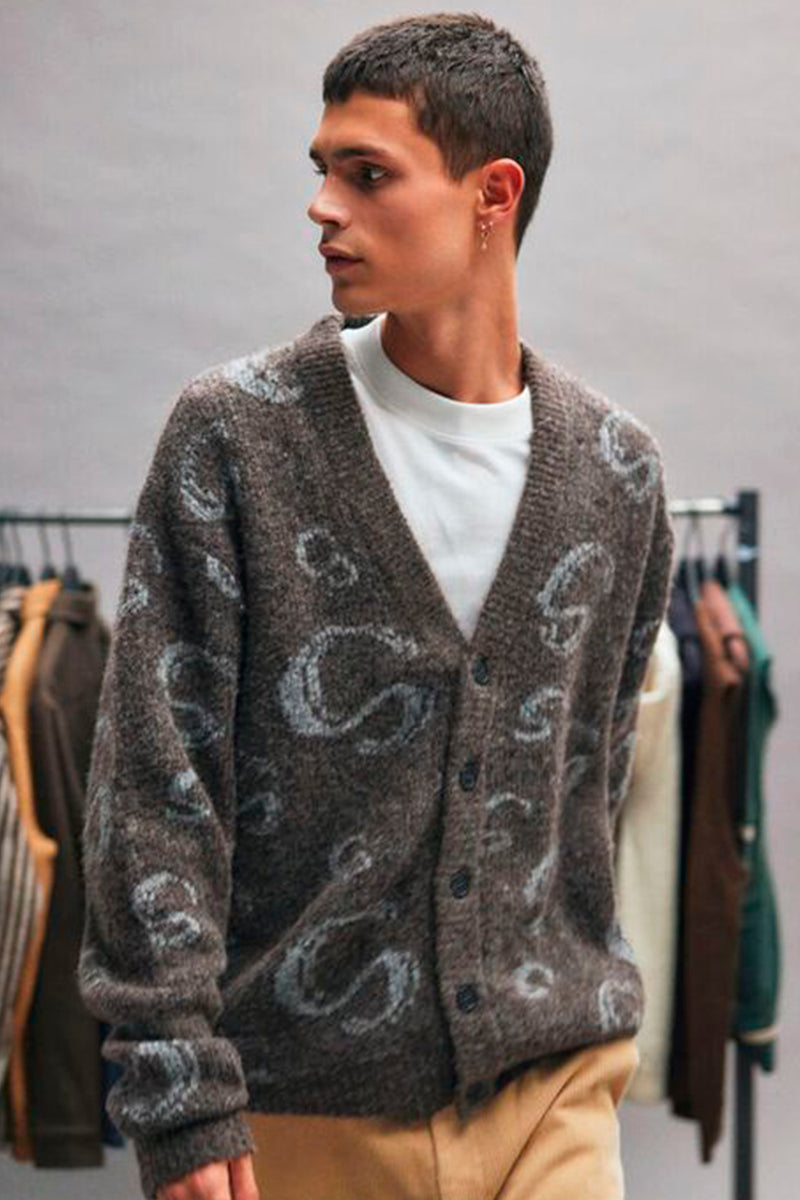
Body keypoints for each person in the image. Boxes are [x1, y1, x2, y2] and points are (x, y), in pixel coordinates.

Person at [78, 12, 676, 1200]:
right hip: (305, 1106)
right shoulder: (237, 437)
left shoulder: (615, 473)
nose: (321, 207)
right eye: (321, 170)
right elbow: (155, 782)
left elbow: (584, 791)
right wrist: (178, 1086)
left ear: (491, 194)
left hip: (553, 1081)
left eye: (366, 174)